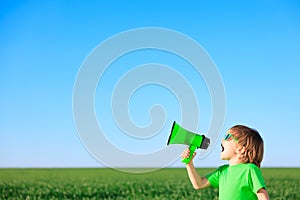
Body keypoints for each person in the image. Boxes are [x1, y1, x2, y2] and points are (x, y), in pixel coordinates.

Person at [182, 125, 270, 200]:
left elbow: (262, 195)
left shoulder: (250, 170)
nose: (223, 139)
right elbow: (199, 184)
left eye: (228, 137)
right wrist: (189, 163)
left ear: (241, 149)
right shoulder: (222, 171)